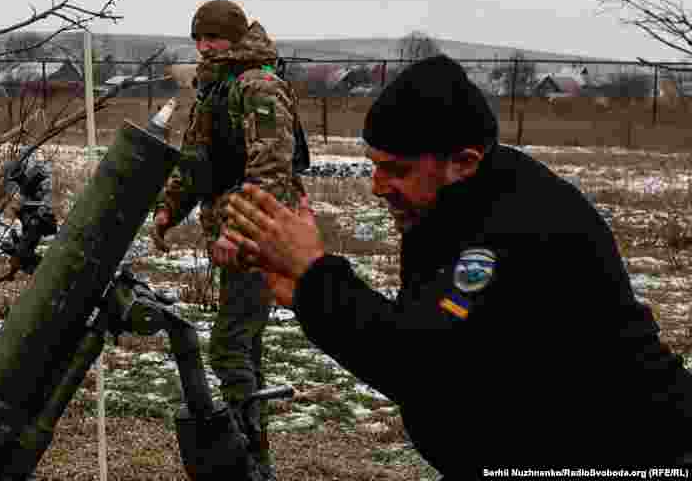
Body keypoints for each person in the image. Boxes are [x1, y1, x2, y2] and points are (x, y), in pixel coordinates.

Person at [220, 54, 692, 477]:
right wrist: (302, 287)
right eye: (374, 165)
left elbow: (420, 361)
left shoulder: (515, 225)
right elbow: (425, 341)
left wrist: (318, 275)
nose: (377, 185)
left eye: (397, 169)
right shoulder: (444, 211)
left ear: (464, 161)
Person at [152, 0, 305, 479]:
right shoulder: (215, 88)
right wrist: (167, 210)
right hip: (231, 237)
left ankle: (248, 458)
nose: (204, 46)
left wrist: (240, 232)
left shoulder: (256, 86)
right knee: (244, 347)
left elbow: (272, 167)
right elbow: (198, 158)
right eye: (198, 38)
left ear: (236, 38)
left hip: (257, 237)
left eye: (213, 37)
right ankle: (254, 453)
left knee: (228, 347)